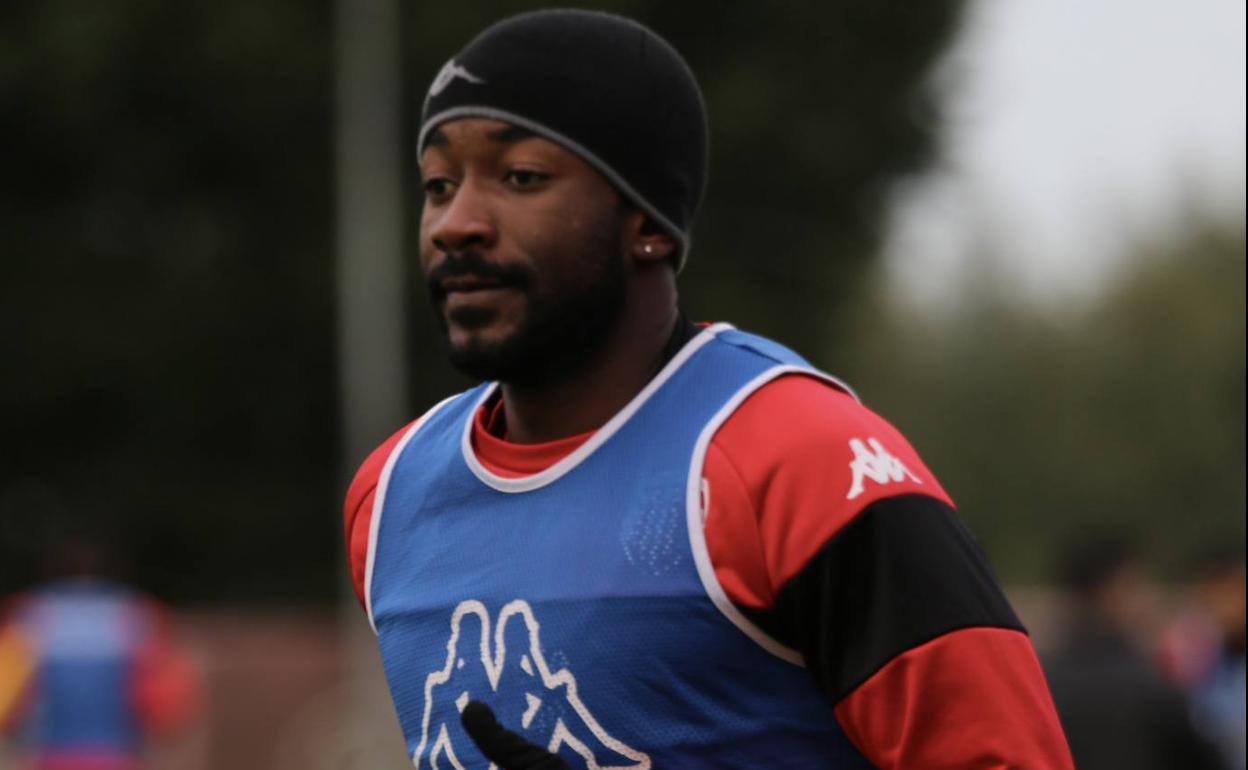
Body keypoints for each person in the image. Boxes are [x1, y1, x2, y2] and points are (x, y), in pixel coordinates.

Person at [344, 9, 1074, 769]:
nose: (454, 224)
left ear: (647, 225)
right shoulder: (390, 496)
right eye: (438, 185)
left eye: (521, 176)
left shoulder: (803, 462)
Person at [0, 530, 200, 770]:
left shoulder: (33, 613)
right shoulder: (134, 613)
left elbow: (5, 691)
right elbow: (168, 695)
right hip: (117, 754)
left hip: (50, 754)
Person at [1043, 534, 1226, 770]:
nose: (1149, 600)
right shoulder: (1153, 685)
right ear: (1111, 593)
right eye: (1138, 586)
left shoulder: (1042, 681)